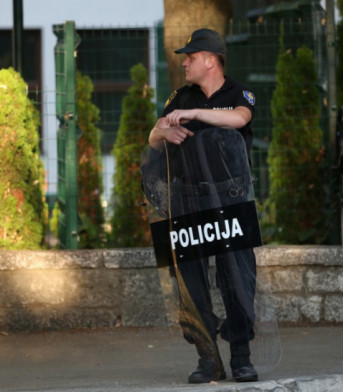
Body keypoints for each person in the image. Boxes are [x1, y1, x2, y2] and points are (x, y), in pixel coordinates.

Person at [148, 28, 259, 384]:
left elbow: (239, 119)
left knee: (237, 279)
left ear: (210, 60)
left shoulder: (237, 93)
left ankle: (241, 358)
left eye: (191, 57)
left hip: (231, 200)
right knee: (189, 282)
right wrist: (163, 133)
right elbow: (153, 136)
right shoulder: (179, 96)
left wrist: (195, 112)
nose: (184, 63)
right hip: (186, 199)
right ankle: (207, 358)